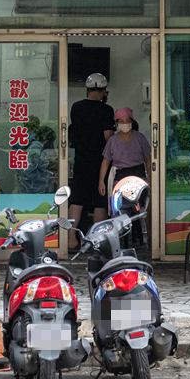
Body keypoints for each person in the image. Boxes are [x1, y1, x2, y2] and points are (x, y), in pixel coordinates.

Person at [68, 72, 114, 248]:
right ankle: (97, 241)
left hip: (80, 160)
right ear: (103, 90)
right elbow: (108, 137)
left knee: (77, 200)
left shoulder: (76, 107)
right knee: (99, 202)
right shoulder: (106, 110)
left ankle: (71, 240)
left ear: (87, 89)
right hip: (100, 161)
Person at [99, 108, 152, 194]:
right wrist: (101, 181)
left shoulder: (139, 138)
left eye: (127, 120)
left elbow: (148, 159)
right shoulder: (112, 140)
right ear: (117, 123)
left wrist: (150, 177)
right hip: (120, 177)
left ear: (131, 121)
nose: (125, 123)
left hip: (139, 176)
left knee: (140, 205)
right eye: (121, 121)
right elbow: (105, 162)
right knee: (119, 205)